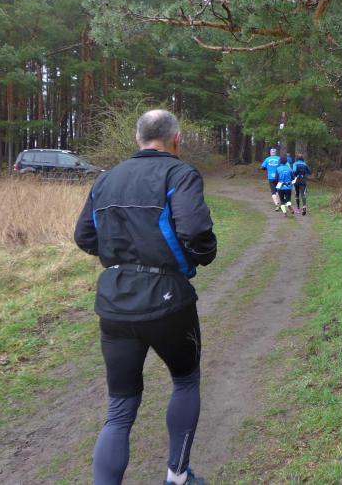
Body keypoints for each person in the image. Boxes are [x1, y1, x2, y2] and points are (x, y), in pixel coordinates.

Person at [74, 109, 216, 485]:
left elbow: (84, 236)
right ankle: (177, 477)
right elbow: (196, 231)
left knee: (120, 408)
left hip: (115, 302)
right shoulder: (179, 173)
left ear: (138, 138)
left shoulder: (106, 179)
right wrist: (202, 256)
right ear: (177, 139)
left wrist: (120, 258)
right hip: (168, 299)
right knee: (185, 381)